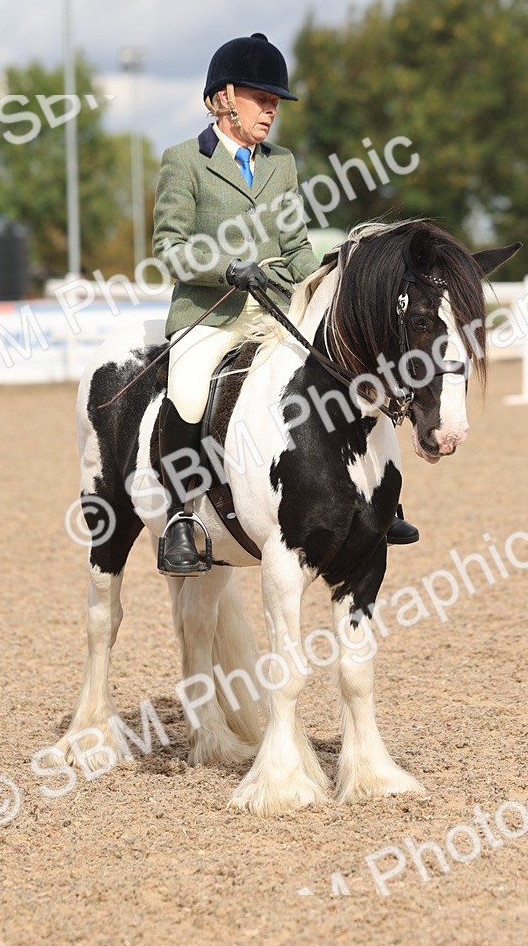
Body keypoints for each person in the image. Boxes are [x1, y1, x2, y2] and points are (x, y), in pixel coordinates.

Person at [152, 32, 418, 575]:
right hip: (213, 312)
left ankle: (380, 496)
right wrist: (224, 268)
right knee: (187, 390)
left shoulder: (282, 164)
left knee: (348, 373)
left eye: (275, 101)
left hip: (276, 308)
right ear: (223, 98)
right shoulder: (184, 162)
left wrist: (333, 279)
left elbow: (295, 247)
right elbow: (168, 249)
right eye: (261, 98)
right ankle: (182, 518)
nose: (272, 110)